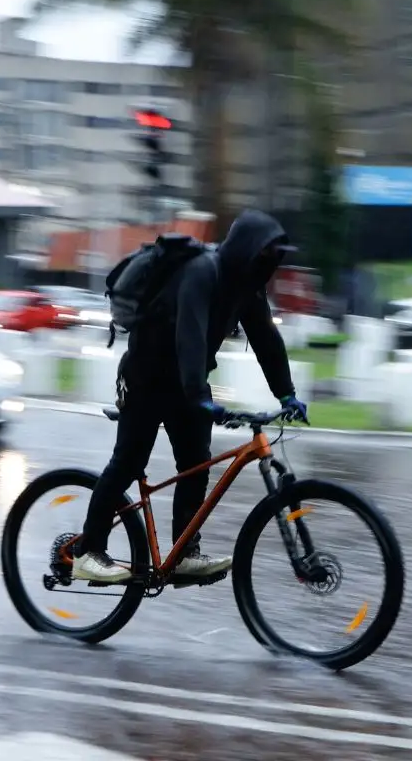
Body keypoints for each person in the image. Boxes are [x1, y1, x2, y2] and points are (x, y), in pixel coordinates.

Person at [71, 209, 309, 585]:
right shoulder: (203, 272)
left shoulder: (246, 287)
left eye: (274, 258)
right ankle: (88, 552)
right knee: (129, 462)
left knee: (196, 464)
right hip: (145, 378)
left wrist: (287, 394)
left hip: (187, 385)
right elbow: (190, 335)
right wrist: (200, 396)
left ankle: (183, 553)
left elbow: (266, 338)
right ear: (246, 249)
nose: (270, 264)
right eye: (265, 255)